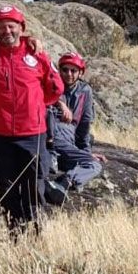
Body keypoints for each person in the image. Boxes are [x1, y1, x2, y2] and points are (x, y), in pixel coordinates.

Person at [0, 5, 64, 234]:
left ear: (21, 28)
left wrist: (35, 106)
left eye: (11, 26)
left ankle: (37, 231)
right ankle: (15, 231)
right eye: (2, 27)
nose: (7, 31)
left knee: (34, 184)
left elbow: (55, 88)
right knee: (6, 185)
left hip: (32, 132)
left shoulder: (35, 53)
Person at [44, 52, 103, 204]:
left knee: (93, 164)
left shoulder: (85, 91)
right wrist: (60, 104)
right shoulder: (51, 84)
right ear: (60, 70)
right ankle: (52, 158)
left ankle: (63, 183)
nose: (69, 74)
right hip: (52, 136)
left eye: (73, 70)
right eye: (65, 70)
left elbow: (84, 126)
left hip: (69, 143)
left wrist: (85, 153)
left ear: (80, 73)